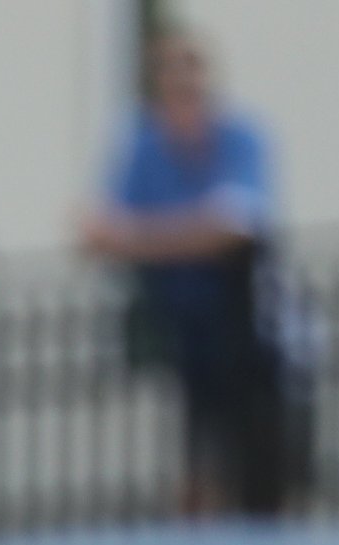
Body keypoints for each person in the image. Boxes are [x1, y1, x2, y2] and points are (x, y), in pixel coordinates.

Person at [82, 33, 292, 518]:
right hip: (176, 329)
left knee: (256, 452)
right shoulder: (140, 142)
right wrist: (186, 235)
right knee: (197, 439)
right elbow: (99, 232)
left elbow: (236, 226)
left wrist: (141, 239)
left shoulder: (243, 137)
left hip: (245, 331)